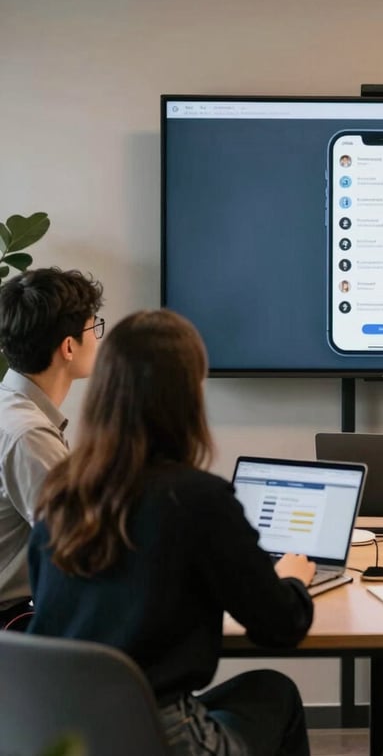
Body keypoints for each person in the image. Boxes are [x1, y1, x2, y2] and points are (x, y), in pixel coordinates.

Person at [27, 309, 316, 756]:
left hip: (68, 737)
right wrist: (292, 579)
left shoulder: (60, 496)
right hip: (160, 740)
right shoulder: (197, 498)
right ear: (187, 398)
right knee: (275, 694)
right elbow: (281, 625)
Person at [0, 267, 104, 629]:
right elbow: (80, 546)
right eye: (95, 328)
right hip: (17, 627)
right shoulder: (27, 433)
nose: (98, 338)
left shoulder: (11, 411)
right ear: (69, 347)